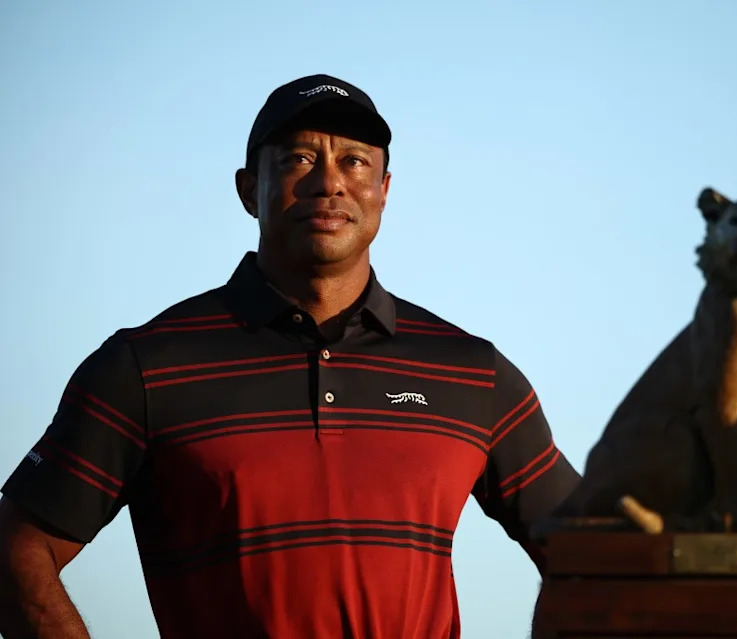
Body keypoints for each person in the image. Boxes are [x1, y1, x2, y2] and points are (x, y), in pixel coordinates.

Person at [0, 73, 581, 639]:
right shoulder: (147, 366)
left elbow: (590, 551)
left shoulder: (469, 372)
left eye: (355, 161)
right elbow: (17, 543)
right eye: (299, 159)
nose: (330, 183)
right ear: (249, 189)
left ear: (384, 189)